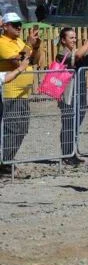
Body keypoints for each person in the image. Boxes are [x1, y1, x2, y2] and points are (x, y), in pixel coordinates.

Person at [0, 12, 41, 163]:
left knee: (22, 129)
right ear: (4, 26)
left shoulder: (18, 41)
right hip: (10, 94)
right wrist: (29, 44)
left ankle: (7, 161)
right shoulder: (2, 42)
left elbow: (33, 61)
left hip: (23, 94)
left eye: (20, 24)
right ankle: (4, 163)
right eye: (14, 24)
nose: (19, 27)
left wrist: (36, 47)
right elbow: (19, 63)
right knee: (12, 129)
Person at [54, 27, 88, 165]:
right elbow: (77, 57)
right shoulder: (62, 53)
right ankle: (67, 154)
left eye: (75, 37)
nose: (74, 40)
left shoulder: (79, 50)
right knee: (68, 123)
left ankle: (72, 152)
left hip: (80, 92)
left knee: (75, 124)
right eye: (71, 37)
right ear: (63, 40)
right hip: (68, 94)